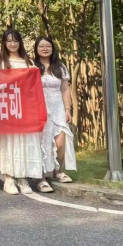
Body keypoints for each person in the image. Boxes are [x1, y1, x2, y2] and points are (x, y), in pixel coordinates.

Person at [0, 29, 44, 195]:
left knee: (25, 141)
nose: (12, 44)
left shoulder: (28, 62)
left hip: (26, 108)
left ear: (20, 43)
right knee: (9, 142)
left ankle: (22, 178)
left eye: (15, 41)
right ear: (4, 43)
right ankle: (9, 178)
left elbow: (34, 84)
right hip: (8, 107)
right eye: (9, 41)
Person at [34, 37, 77, 191]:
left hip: (58, 106)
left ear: (52, 48)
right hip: (39, 107)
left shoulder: (60, 67)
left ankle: (57, 171)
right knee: (41, 142)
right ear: (36, 49)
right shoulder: (32, 66)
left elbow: (65, 89)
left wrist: (67, 109)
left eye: (48, 46)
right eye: (41, 46)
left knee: (60, 141)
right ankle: (41, 177)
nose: (45, 48)